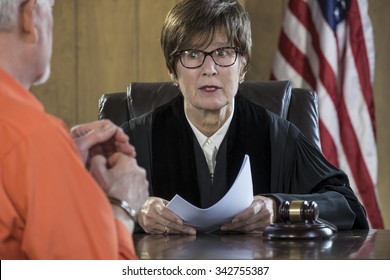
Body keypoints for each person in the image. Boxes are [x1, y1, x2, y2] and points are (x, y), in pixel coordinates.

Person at [122, 0, 369, 235]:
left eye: (223, 52)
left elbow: (348, 207)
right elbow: (88, 205)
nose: (209, 69)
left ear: (243, 66)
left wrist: (278, 208)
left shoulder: (277, 137)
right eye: (192, 54)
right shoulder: (135, 139)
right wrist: (133, 210)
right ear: (172, 70)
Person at [0, 0, 148, 259]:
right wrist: (122, 206)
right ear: (30, 16)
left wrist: (57, 163)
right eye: (52, 10)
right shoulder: (33, 139)